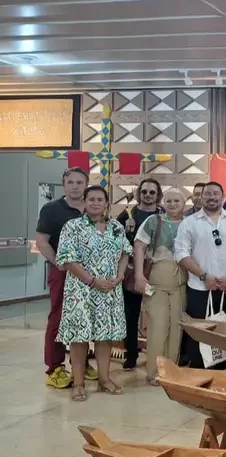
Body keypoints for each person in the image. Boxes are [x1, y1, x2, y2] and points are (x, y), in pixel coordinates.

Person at [55, 185, 130, 402]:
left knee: (105, 336)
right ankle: (78, 383)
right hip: (81, 290)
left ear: (106, 203)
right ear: (85, 202)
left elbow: (125, 252)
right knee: (79, 337)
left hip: (109, 290)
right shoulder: (73, 226)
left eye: (100, 199)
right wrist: (92, 281)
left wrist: (120, 276)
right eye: (91, 199)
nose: (96, 203)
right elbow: (67, 259)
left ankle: (104, 379)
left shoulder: (116, 227)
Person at [35, 167, 97, 389]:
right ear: (64, 185)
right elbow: (42, 241)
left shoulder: (92, 208)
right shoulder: (52, 209)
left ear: (86, 184)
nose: (75, 187)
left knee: (85, 317)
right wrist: (57, 262)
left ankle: (80, 363)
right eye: (70, 182)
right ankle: (55, 368)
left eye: (79, 182)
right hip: (62, 273)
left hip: (89, 273)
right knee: (59, 317)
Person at [175, 181, 226, 368]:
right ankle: (198, 371)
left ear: (223, 197)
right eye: (207, 193)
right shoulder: (189, 222)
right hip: (199, 287)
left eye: (216, 193)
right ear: (201, 197)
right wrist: (203, 276)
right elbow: (181, 254)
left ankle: (223, 371)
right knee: (199, 334)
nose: (212, 197)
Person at [133, 188, 187, 385]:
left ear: (184, 204)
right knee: (158, 326)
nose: (172, 204)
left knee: (177, 327)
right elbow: (139, 246)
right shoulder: (153, 221)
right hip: (157, 279)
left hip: (181, 281)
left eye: (177, 201)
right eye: (169, 200)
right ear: (163, 202)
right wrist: (139, 275)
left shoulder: (189, 222)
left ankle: (171, 371)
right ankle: (155, 372)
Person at [116, 178, 162, 371]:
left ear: (158, 195)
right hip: (132, 270)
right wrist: (126, 231)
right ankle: (131, 354)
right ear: (139, 194)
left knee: (157, 315)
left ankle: (157, 354)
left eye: (152, 192)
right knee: (131, 314)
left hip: (158, 270)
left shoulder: (164, 215)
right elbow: (115, 241)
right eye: (144, 192)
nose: (148, 195)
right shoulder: (127, 215)